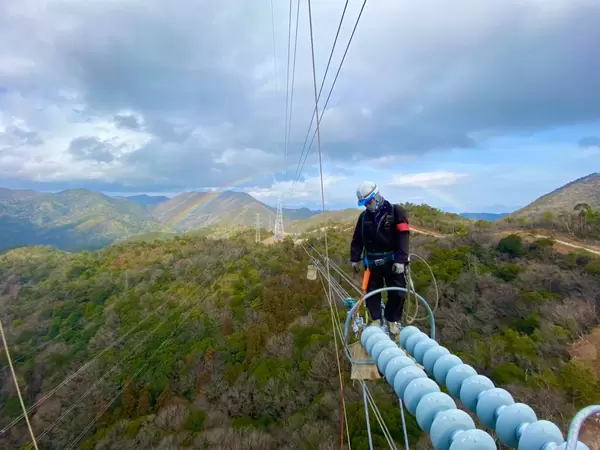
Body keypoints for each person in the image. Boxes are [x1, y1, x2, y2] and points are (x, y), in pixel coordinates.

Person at [350, 181, 410, 336]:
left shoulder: (395, 212)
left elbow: (403, 237)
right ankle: (376, 319)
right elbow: (357, 239)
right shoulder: (364, 218)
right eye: (364, 203)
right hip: (372, 262)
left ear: (376, 196)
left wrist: (401, 260)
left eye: (369, 201)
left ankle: (391, 319)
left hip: (393, 261)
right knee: (372, 292)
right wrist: (354, 258)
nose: (368, 206)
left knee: (398, 292)